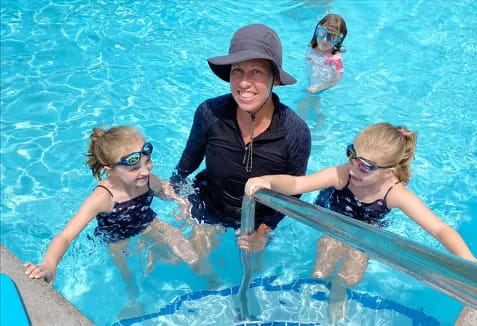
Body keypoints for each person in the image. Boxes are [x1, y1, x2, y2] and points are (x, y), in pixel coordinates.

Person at [245, 122, 477, 323]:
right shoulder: (344, 174)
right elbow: (299, 184)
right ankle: (313, 305)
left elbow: (439, 229)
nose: (354, 169)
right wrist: (269, 180)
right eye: (352, 155)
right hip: (333, 220)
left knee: (350, 276)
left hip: (366, 230)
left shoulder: (394, 193)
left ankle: (339, 292)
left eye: (365, 167)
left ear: (390, 171)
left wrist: (469, 262)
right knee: (320, 271)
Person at [24, 125, 200, 318]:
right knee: (127, 271)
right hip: (117, 236)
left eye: (148, 161)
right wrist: (49, 265)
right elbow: (66, 236)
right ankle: (135, 299)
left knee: (183, 245)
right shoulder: (103, 197)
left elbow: (163, 190)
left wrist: (181, 201)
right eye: (134, 168)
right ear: (110, 170)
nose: (145, 170)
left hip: (147, 221)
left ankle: (205, 276)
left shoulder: (148, 179)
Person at [170, 23, 311, 262]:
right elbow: (188, 162)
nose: (244, 83)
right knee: (193, 261)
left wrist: (264, 232)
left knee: (255, 271)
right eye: (237, 71)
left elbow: (293, 192)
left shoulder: (295, 132)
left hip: (257, 219)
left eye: (256, 72)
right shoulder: (210, 113)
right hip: (210, 202)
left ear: (275, 79)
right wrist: (177, 194)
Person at [297, 14, 347, 131]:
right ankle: (302, 128)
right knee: (304, 106)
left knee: (313, 108)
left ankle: (318, 129)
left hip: (321, 87)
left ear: (339, 40)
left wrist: (321, 86)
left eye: (332, 37)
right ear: (317, 30)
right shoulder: (311, 48)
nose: (324, 40)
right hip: (312, 84)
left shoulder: (335, 58)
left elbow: (339, 76)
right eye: (321, 33)